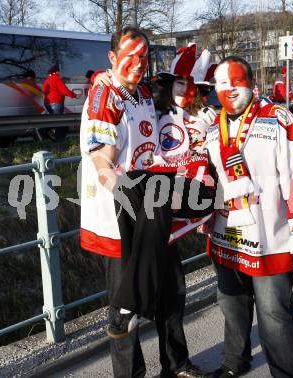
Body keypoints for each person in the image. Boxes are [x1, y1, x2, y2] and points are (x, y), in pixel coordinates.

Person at [79, 27, 206, 378]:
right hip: (122, 214)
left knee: (172, 290)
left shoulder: (144, 92)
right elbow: (103, 163)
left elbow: (176, 109)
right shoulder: (105, 96)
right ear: (112, 57)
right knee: (126, 305)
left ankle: (176, 364)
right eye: (129, 55)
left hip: (154, 207)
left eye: (143, 56)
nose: (137, 63)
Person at [204, 56, 293, 378]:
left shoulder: (280, 120)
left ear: (253, 85)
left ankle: (287, 374)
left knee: (274, 313)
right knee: (232, 305)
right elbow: (209, 178)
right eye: (221, 83)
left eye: (235, 81)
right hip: (227, 233)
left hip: (271, 237)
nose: (227, 90)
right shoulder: (213, 128)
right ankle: (234, 363)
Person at [41, 64, 77, 140]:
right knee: (59, 122)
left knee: (55, 121)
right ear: (56, 71)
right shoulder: (57, 79)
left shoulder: (47, 80)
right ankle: (59, 140)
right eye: (59, 71)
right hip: (56, 103)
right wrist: (73, 95)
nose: (60, 73)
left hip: (48, 103)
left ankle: (45, 132)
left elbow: (44, 90)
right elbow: (64, 90)